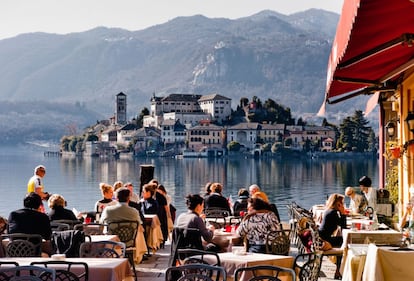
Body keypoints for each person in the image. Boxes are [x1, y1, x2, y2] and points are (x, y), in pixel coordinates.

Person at [318, 193, 347, 279]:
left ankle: (339, 269)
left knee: (342, 240)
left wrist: (341, 213)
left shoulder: (329, 211)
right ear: (338, 203)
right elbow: (343, 227)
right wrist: (343, 213)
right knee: (344, 242)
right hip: (325, 241)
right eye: (342, 203)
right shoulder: (333, 213)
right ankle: (339, 270)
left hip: (322, 238)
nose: (342, 205)